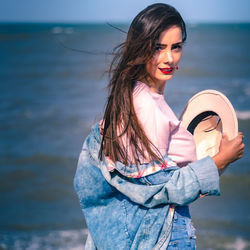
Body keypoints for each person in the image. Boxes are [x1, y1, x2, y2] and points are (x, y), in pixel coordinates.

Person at [74, 3, 244, 249]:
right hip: (163, 237)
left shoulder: (136, 98)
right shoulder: (146, 106)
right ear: (141, 49)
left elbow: (142, 184)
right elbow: (157, 189)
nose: (169, 58)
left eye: (176, 47)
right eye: (158, 48)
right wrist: (221, 160)